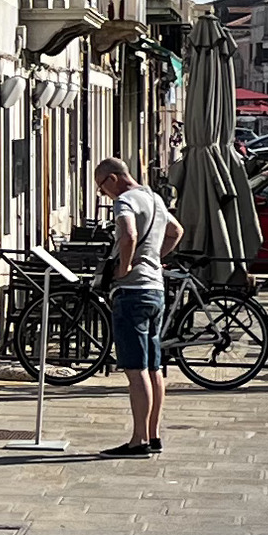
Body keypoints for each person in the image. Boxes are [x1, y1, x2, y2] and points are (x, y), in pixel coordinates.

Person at [94, 154, 176, 456]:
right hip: (156, 289)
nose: (104, 194)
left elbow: (128, 235)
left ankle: (138, 440)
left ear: (113, 178)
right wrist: (155, 259)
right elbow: (175, 231)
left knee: (135, 367)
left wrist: (125, 268)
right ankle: (153, 435)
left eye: (103, 188)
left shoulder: (125, 201)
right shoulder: (154, 198)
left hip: (132, 292)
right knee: (154, 367)